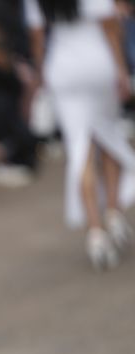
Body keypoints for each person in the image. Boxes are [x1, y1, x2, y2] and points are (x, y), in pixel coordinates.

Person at [26, 0, 135, 270]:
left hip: (62, 68)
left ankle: (95, 230)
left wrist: (41, 75)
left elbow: (36, 36)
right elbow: (110, 27)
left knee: (79, 148)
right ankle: (112, 211)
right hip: (98, 63)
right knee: (108, 137)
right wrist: (121, 69)